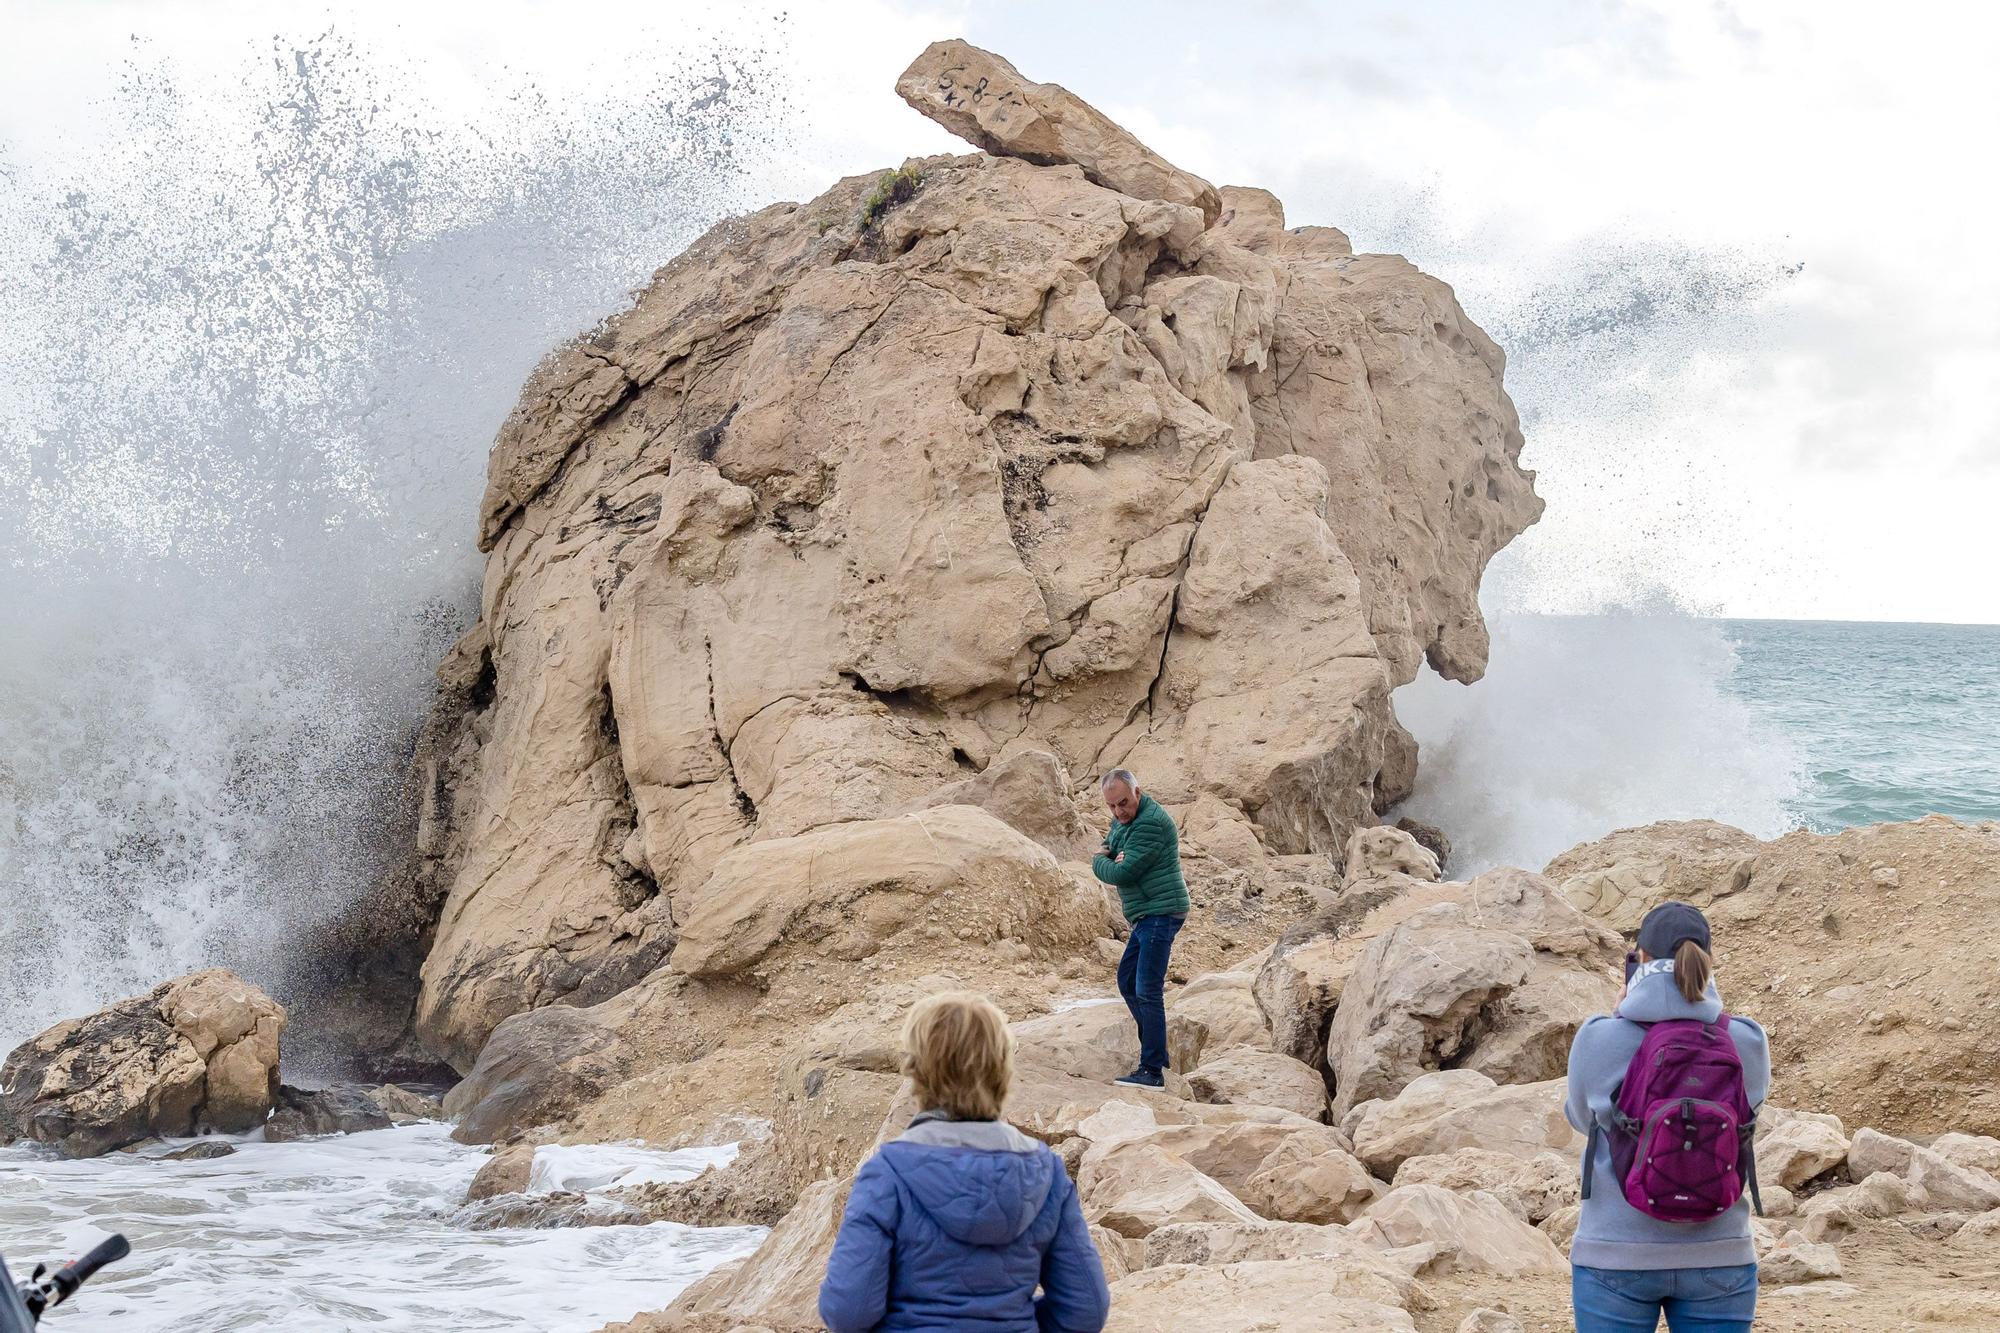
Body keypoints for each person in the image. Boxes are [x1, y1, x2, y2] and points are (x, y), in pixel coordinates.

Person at [818, 991, 1110, 1333]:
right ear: (1001, 1069)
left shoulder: (888, 1173)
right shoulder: (1046, 1172)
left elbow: (848, 1312)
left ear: (917, 1072)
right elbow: (1087, 1309)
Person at [1565, 901, 1771, 1333]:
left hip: (1614, 1254)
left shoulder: (1599, 1036)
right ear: (1708, 964)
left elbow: (1582, 1119)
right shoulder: (1746, 1039)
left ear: (1638, 961)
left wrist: (1622, 1011)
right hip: (1721, 1254)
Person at [1090, 768, 1190, 1089]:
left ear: (1137, 792)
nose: (1118, 812)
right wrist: (1111, 856)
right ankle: (1156, 1054)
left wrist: (1101, 861)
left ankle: (1152, 1070)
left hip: (1160, 911)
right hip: (1148, 913)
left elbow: (1123, 872)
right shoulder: (1127, 821)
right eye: (1111, 807)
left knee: (1147, 988)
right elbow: (1111, 844)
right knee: (1127, 981)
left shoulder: (1149, 823)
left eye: (1123, 803)